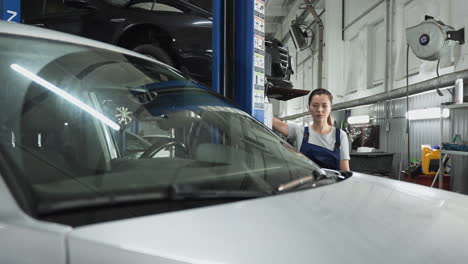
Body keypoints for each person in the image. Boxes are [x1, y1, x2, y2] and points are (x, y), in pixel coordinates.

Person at [273, 88, 350, 171]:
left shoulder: (340, 135)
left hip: (332, 183)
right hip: (307, 183)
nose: (319, 110)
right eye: (315, 105)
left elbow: (345, 171)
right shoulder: (300, 132)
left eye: (324, 106)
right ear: (309, 108)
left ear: (330, 108)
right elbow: (273, 121)